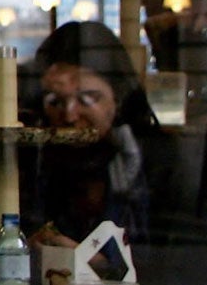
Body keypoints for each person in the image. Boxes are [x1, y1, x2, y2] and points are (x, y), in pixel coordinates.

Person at [26, 21, 164, 243]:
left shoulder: (147, 160)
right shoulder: (35, 160)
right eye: (55, 101)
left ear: (117, 100)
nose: (70, 116)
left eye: (88, 99)